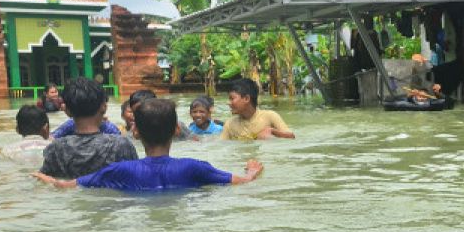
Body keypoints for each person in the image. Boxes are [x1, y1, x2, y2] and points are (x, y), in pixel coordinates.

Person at [34, 98, 263, 191]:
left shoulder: (119, 171)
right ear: (175, 130)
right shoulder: (195, 167)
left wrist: (40, 176)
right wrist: (252, 170)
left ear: (136, 132)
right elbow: (243, 182)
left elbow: (64, 186)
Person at [37, 77, 138, 179]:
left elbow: (43, 179)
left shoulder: (56, 149)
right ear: (104, 107)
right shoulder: (122, 146)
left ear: (67, 111)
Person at [221, 78, 294, 140]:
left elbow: (291, 136)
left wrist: (272, 132)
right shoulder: (230, 124)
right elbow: (221, 146)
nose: (228, 103)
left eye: (232, 98)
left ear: (246, 98)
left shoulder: (270, 116)